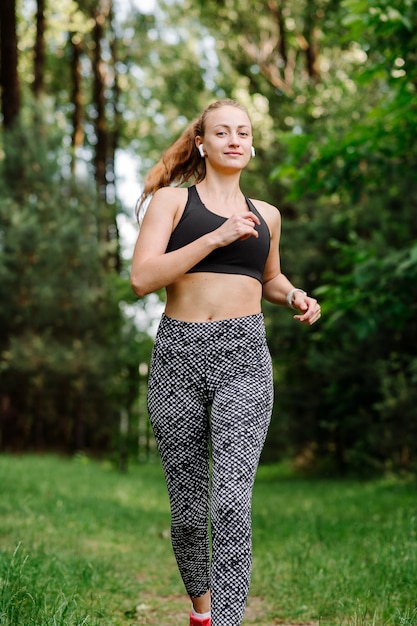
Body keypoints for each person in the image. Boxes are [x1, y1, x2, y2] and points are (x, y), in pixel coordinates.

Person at [130, 99, 321, 626]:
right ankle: (202, 611)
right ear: (202, 143)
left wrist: (295, 295)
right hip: (178, 354)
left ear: (251, 143)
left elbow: (269, 277)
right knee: (190, 511)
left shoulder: (267, 215)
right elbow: (143, 278)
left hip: (244, 355)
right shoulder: (172, 203)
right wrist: (215, 235)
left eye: (243, 131)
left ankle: (230, 621)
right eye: (222, 132)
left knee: (232, 502)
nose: (234, 139)